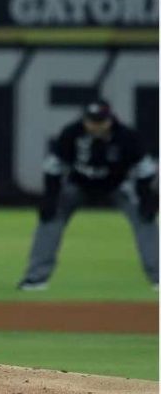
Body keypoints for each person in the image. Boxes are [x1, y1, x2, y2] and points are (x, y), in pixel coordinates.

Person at [18, 99, 158, 291]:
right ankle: (35, 278)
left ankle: (158, 276)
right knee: (50, 218)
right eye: (91, 121)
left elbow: (145, 169)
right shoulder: (71, 133)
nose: (96, 126)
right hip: (79, 185)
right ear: (84, 119)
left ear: (110, 119)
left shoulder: (127, 136)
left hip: (117, 185)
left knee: (145, 219)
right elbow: (53, 167)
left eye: (100, 121)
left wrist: (146, 197)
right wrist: (50, 198)